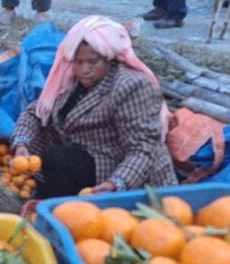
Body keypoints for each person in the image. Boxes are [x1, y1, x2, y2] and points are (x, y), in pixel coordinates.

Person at [10, 16, 177, 199]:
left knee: (54, 158)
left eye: (92, 62)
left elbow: (144, 149)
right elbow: (35, 112)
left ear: (108, 58)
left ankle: (66, 208)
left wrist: (116, 183)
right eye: (79, 62)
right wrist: (21, 144)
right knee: (44, 149)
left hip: (119, 167)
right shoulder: (71, 78)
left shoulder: (130, 86)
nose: (84, 69)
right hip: (85, 154)